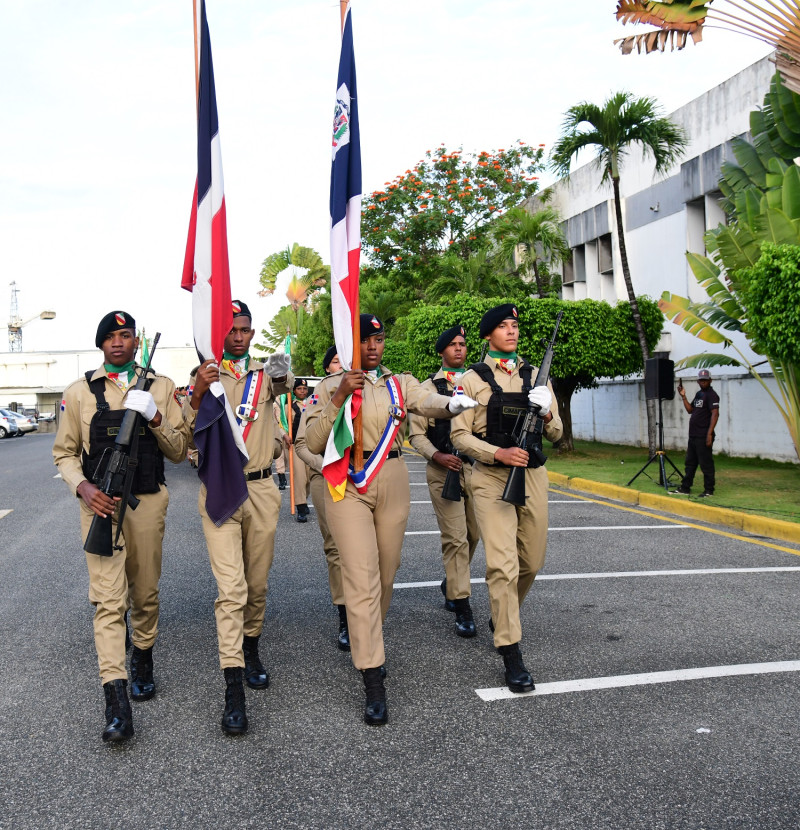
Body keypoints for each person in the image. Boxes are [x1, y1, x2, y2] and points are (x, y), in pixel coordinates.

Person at [304, 315, 477, 725]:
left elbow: (425, 401)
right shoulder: (330, 386)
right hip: (347, 483)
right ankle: (372, 675)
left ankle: (369, 637)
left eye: (379, 340)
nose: (374, 347)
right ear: (352, 345)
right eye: (366, 340)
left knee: (385, 573)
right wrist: (338, 397)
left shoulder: (400, 382)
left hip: (394, 477)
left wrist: (451, 404)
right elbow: (309, 439)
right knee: (361, 574)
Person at [53, 310, 189, 742]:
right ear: (101, 344)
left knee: (144, 592)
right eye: (110, 336)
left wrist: (154, 417)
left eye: (126, 335)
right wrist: (82, 488)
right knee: (108, 602)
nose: (118, 343)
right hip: (100, 508)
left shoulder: (161, 388)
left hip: (147, 501)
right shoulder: (79, 393)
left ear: (136, 343)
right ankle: (116, 702)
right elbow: (65, 453)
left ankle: (143, 654)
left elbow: (180, 451)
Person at [183, 300, 292, 735]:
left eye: (245, 329)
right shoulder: (207, 374)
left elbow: (288, 396)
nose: (240, 336)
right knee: (232, 589)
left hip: (262, 489)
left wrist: (284, 372)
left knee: (257, 584)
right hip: (221, 489)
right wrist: (197, 388)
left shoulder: (265, 375)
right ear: (220, 333)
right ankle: (233, 689)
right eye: (232, 330)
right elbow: (188, 424)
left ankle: (251, 648)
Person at [450, 303, 562, 694]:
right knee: (502, 565)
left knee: (531, 561)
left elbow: (557, 434)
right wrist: (497, 453)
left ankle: (504, 614)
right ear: (488, 336)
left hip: (532, 476)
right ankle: (511, 651)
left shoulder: (536, 376)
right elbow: (459, 436)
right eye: (503, 326)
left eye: (515, 325)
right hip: (490, 479)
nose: (512, 331)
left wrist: (548, 413)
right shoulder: (470, 379)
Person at [408, 325, 481, 638]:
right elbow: (416, 435)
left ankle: (452, 580)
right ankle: (462, 606)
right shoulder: (428, 387)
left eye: (463, 344)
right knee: (455, 537)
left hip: (476, 470)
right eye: (452, 345)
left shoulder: (478, 384)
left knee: (474, 533)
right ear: (442, 351)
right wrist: (437, 456)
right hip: (443, 471)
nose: (459, 349)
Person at [294, 346, 350, 649]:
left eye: (345, 360)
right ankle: (345, 614)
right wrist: (327, 466)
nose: (341, 366)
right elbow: (302, 444)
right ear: (328, 367)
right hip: (327, 478)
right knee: (337, 548)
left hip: (364, 477)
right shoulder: (319, 395)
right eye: (335, 361)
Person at [671, 368, 720, 498]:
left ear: (710, 380)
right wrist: (683, 396)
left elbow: (715, 414)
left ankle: (709, 490)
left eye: (705, 380)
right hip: (693, 435)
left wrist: (709, 434)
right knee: (690, 463)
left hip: (703, 435)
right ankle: (685, 487)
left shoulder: (712, 395)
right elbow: (690, 410)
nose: (703, 382)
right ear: (698, 381)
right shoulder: (699, 394)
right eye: (701, 380)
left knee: (706, 463)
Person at [284, 377, 312, 523]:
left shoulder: (313, 404)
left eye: (305, 389)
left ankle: (304, 499)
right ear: (294, 391)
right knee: (299, 476)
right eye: (299, 389)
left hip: (311, 446)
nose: (302, 391)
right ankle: (301, 508)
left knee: (309, 477)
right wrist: (284, 435)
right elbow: (282, 423)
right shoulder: (288, 407)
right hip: (295, 445)